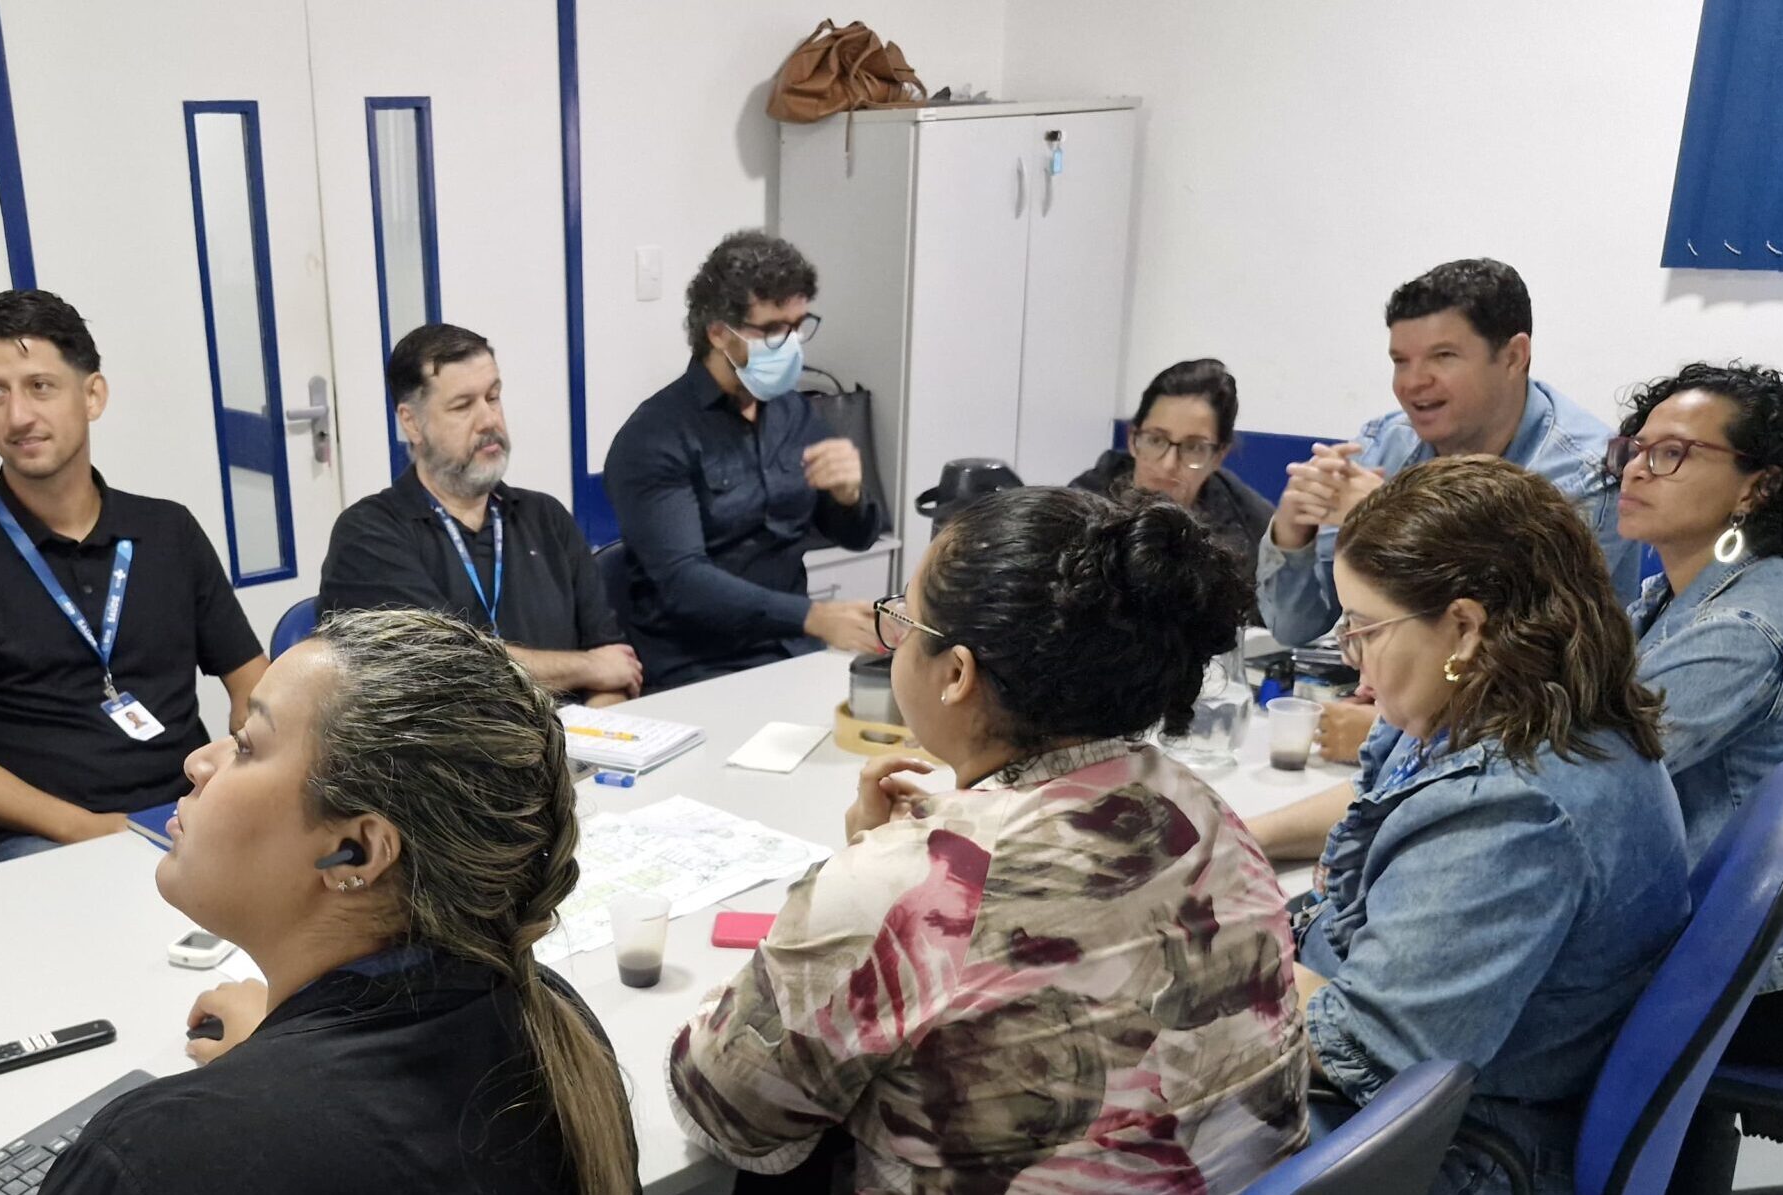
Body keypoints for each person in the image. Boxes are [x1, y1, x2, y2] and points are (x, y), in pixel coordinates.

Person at [669, 487, 1307, 1192]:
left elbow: (724, 1112)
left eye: (903, 621)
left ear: (957, 674)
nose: (895, 638)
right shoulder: (1202, 806)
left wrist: (864, 882)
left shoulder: (907, 885)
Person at [41, 609, 638, 1194]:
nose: (199, 762)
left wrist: (261, 1079)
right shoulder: (554, 1024)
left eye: (246, 745)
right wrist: (272, 1055)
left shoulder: (150, 1157)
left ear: (355, 851)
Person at [1263, 456, 1686, 1194]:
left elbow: (1368, 1046)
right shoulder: (1486, 702)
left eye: (1364, 627)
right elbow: (1391, 807)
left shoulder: (1517, 810)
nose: (1352, 661)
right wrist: (1240, 845)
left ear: (1463, 627)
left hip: (1465, 1147)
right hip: (1450, 1092)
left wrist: (1214, 949)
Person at [0, 290, 265, 865]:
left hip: (191, 808)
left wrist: (241, 773)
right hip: (47, 837)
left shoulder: (167, 531)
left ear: (92, 395)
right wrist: (93, 829)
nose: (18, 416)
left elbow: (253, 683)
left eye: (40, 387)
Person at [1611, 362, 1783, 1063]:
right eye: (1635, 449)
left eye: (1672, 453)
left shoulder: (1746, 623)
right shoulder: (1683, 590)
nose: (1636, 472)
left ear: (1759, 484)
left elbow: (1579, 761)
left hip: (1780, 974)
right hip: (1725, 938)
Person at [1258, 258, 1642, 646]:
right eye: (1400, 361)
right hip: (1391, 692)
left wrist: (1392, 521)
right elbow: (1296, 629)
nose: (1413, 382)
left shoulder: (1586, 473)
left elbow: (1525, 644)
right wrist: (1293, 535)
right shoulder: (1385, 444)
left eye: (1443, 356)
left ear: (1513, 357)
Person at [603, 230, 886, 691]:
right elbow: (683, 581)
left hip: (793, 649)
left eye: (798, 326)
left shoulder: (796, 414)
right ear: (718, 331)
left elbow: (857, 536)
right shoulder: (654, 436)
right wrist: (813, 616)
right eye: (773, 330)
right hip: (699, 664)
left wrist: (850, 496)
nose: (791, 343)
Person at [318, 323, 640, 704]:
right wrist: (587, 667)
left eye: (493, 397)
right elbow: (451, 673)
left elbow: (616, 669)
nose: (488, 420)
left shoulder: (546, 517)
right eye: (463, 405)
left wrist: (594, 744)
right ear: (411, 422)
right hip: (448, 757)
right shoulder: (370, 534)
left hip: (577, 750)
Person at [1070, 357, 1273, 585]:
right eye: (1156, 440)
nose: (1168, 464)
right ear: (1132, 439)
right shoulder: (1079, 510)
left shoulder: (1252, 529)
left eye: (1193, 447)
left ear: (1218, 456)